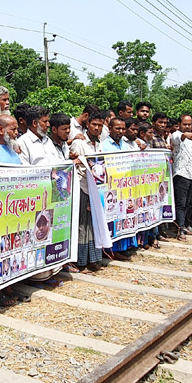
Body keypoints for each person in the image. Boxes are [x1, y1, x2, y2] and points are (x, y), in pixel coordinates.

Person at [69, 112, 105, 272]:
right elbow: (74, 167)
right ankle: (80, 261)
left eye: (100, 126)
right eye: (94, 125)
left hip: (96, 190)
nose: (97, 128)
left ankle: (93, 259)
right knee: (81, 225)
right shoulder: (79, 143)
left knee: (93, 224)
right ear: (88, 125)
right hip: (82, 187)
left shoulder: (99, 145)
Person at [170, 114, 192, 239]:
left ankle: (185, 225)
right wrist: (185, 135)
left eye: (189, 124)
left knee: (189, 203)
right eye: (185, 124)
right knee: (181, 202)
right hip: (181, 173)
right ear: (179, 124)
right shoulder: (176, 135)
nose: (187, 127)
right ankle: (180, 229)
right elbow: (179, 137)